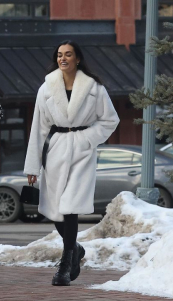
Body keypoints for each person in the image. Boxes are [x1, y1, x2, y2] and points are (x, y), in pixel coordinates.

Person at [24, 40, 119, 286]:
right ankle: (75, 248)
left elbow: (110, 120)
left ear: (78, 58)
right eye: (59, 55)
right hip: (55, 151)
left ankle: (65, 264)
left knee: (70, 206)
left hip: (81, 151)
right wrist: (32, 167)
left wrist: (87, 139)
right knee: (54, 210)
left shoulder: (94, 88)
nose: (63, 58)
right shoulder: (46, 88)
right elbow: (38, 128)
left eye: (68, 54)